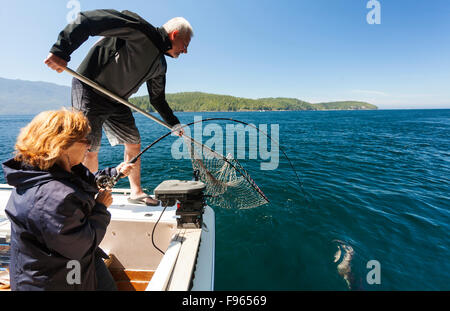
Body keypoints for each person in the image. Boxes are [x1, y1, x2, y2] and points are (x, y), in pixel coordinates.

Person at [44, 9, 192, 206]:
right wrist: (61, 50)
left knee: (134, 142)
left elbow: (157, 99)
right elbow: (88, 21)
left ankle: (136, 192)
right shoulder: (139, 28)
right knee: (88, 147)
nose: (185, 51)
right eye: (185, 45)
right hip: (90, 88)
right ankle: (87, 198)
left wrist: (174, 123)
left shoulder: (160, 65)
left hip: (117, 100)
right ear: (174, 35)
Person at [2, 109, 135, 290]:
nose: (89, 146)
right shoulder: (52, 198)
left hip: (70, 265)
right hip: (54, 280)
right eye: (85, 140)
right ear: (63, 145)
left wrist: (114, 173)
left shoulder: (43, 172)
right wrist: (101, 208)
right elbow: (80, 245)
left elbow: (80, 183)